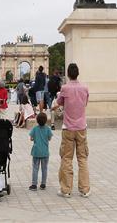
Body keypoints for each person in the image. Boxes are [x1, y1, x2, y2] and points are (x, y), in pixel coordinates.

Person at [52, 62, 90, 198]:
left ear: (68, 74)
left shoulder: (65, 88)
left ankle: (66, 189)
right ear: (78, 73)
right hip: (81, 127)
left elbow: (59, 102)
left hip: (68, 127)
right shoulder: (85, 88)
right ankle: (85, 189)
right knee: (82, 158)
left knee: (66, 158)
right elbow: (85, 103)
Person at [28, 111, 53, 190]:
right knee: (44, 168)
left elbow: (31, 138)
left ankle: (34, 184)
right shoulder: (48, 129)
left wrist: (35, 139)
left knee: (35, 168)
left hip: (36, 152)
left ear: (37, 120)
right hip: (45, 152)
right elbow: (49, 138)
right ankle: (43, 184)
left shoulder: (35, 128)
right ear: (46, 120)